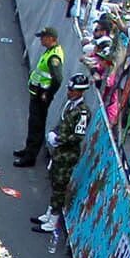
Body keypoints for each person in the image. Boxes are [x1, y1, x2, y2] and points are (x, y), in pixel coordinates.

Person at [34, 72, 94, 236]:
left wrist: (59, 139)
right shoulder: (70, 105)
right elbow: (62, 123)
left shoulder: (82, 112)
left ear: (80, 92)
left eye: (72, 90)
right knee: (54, 181)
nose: (69, 92)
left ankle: (53, 221)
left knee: (60, 186)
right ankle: (49, 213)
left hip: (68, 154)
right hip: (60, 151)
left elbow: (77, 136)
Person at [14, 27, 64, 167]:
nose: (41, 39)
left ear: (51, 38)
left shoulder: (54, 58)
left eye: (43, 37)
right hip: (37, 94)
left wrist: (47, 93)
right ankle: (28, 149)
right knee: (33, 123)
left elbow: (58, 79)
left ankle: (30, 157)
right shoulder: (50, 52)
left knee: (37, 125)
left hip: (42, 97)